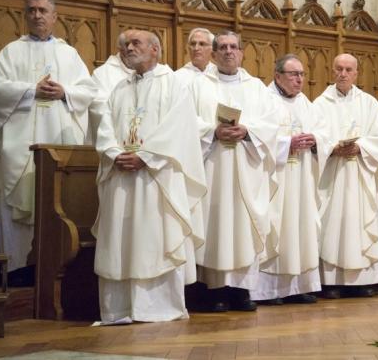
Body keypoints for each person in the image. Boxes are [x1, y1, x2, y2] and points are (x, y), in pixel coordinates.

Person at [92, 30, 207, 323]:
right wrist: (113, 153)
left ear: (155, 49)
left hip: (157, 178)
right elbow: (103, 126)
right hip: (121, 175)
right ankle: (119, 309)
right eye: (125, 45)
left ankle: (158, 307)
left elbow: (178, 127)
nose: (128, 48)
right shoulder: (118, 89)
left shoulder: (174, 85)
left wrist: (146, 156)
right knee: (121, 239)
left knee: (155, 238)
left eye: (135, 44)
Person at [0, 0, 96, 277]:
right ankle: (18, 268)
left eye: (43, 10)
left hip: (59, 140)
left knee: (57, 203)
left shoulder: (68, 53)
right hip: (21, 145)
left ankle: (57, 267)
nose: (37, 15)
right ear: (25, 15)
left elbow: (88, 91)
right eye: (31, 10)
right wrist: (32, 90)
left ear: (54, 17)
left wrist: (64, 92)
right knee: (19, 201)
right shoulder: (11, 51)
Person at [188, 31, 278, 312]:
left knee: (242, 226)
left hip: (246, 169)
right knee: (214, 225)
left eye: (233, 47)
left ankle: (241, 290)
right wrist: (212, 131)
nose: (228, 52)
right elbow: (185, 121)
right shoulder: (198, 85)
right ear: (213, 54)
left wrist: (247, 130)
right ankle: (212, 291)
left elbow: (272, 124)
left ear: (242, 53)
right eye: (223, 47)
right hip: (211, 167)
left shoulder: (257, 88)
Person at [250, 54, 330, 305]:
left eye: (302, 74)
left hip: (302, 177)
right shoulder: (263, 100)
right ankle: (270, 290)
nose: (299, 80)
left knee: (301, 226)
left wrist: (315, 139)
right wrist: (287, 144)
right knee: (276, 226)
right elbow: (256, 134)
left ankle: (299, 286)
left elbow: (324, 131)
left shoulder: (306, 103)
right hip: (276, 177)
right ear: (277, 76)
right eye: (293, 74)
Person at [312, 53, 378, 298]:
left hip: (360, 172)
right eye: (339, 69)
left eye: (348, 69)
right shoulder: (319, 104)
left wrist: (361, 146)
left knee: (360, 220)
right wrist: (333, 147)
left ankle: (363, 280)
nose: (343, 73)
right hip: (333, 173)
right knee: (333, 223)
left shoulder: (369, 103)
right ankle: (332, 281)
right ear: (332, 71)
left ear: (356, 73)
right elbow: (315, 136)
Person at [87, 30, 136, 143]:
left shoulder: (145, 72)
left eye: (136, 44)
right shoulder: (103, 74)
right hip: (114, 140)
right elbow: (98, 106)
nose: (132, 49)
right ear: (120, 48)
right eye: (128, 44)